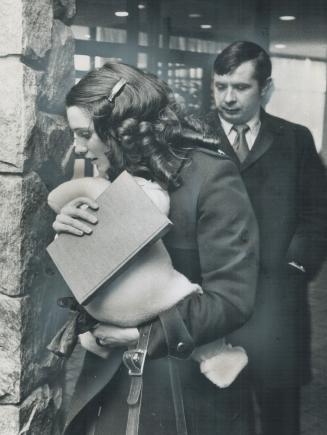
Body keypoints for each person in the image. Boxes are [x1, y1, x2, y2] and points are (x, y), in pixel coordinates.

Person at [52, 62, 259, 435]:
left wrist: (141, 336)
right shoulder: (111, 176)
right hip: (109, 383)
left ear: (118, 127)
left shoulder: (212, 178)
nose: (78, 148)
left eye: (84, 134)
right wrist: (71, 232)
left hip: (180, 390)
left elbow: (233, 299)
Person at [204, 40, 327, 435]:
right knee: (215, 416)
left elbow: (317, 213)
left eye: (240, 87)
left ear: (266, 89)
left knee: (279, 419)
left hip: (278, 307)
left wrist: (296, 264)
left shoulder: (296, 140)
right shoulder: (191, 138)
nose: (227, 97)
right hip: (211, 307)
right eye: (220, 85)